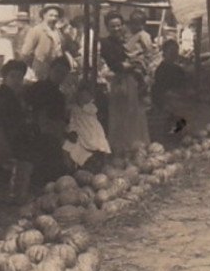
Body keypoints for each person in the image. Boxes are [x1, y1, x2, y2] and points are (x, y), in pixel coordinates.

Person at [0, 60, 36, 204]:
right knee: (21, 162)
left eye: (19, 77)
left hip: (10, 137)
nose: (16, 81)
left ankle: (13, 195)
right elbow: (8, 124)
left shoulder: (14, 96)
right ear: (5, 78)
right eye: (12, 76)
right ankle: (16, 196)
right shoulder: (2, 97)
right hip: (2, 139)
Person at [100, 11, 151, 156]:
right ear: (107, 27)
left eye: (118, 25)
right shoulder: (105, 42)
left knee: (133, 114)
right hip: (119, 81)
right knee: (120, 115)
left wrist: (134, 63)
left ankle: (135, 146)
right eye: (112, 26)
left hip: (131, 81)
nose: (116, 29)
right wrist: (133, 64)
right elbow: (116, 65)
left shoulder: (125, 40)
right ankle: (122, 149)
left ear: (122, 26)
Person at [25, 56, 72, 183]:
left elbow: (60, 120)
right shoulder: (37, 87)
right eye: (57, 71)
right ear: (50, 70)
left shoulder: (60, 96)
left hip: (52, 135)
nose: (59, 76)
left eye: (63, 74)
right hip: (36, 134)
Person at [63, 81, 111, 171]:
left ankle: (94, 164)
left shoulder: (91, 107)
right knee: (69, 146)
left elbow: (90, 111)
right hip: (78, 129)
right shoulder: (74, 108)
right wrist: (71, 129)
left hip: (90, 130)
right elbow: (72, 119)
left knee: (92, 144)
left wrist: (82, 105)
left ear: (90, 97)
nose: (83, 98)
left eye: (86, 96)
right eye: (81, 96)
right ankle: (72, 167)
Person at [21, 4, 66, 80]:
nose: (54, 18)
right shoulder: (36, 30)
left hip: (55, 67)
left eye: (56, 16)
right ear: (44, 15)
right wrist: (31, 68)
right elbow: (25, 52)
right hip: (41, 67)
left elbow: (61, 49)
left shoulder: (58, 32)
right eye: (51, 15)